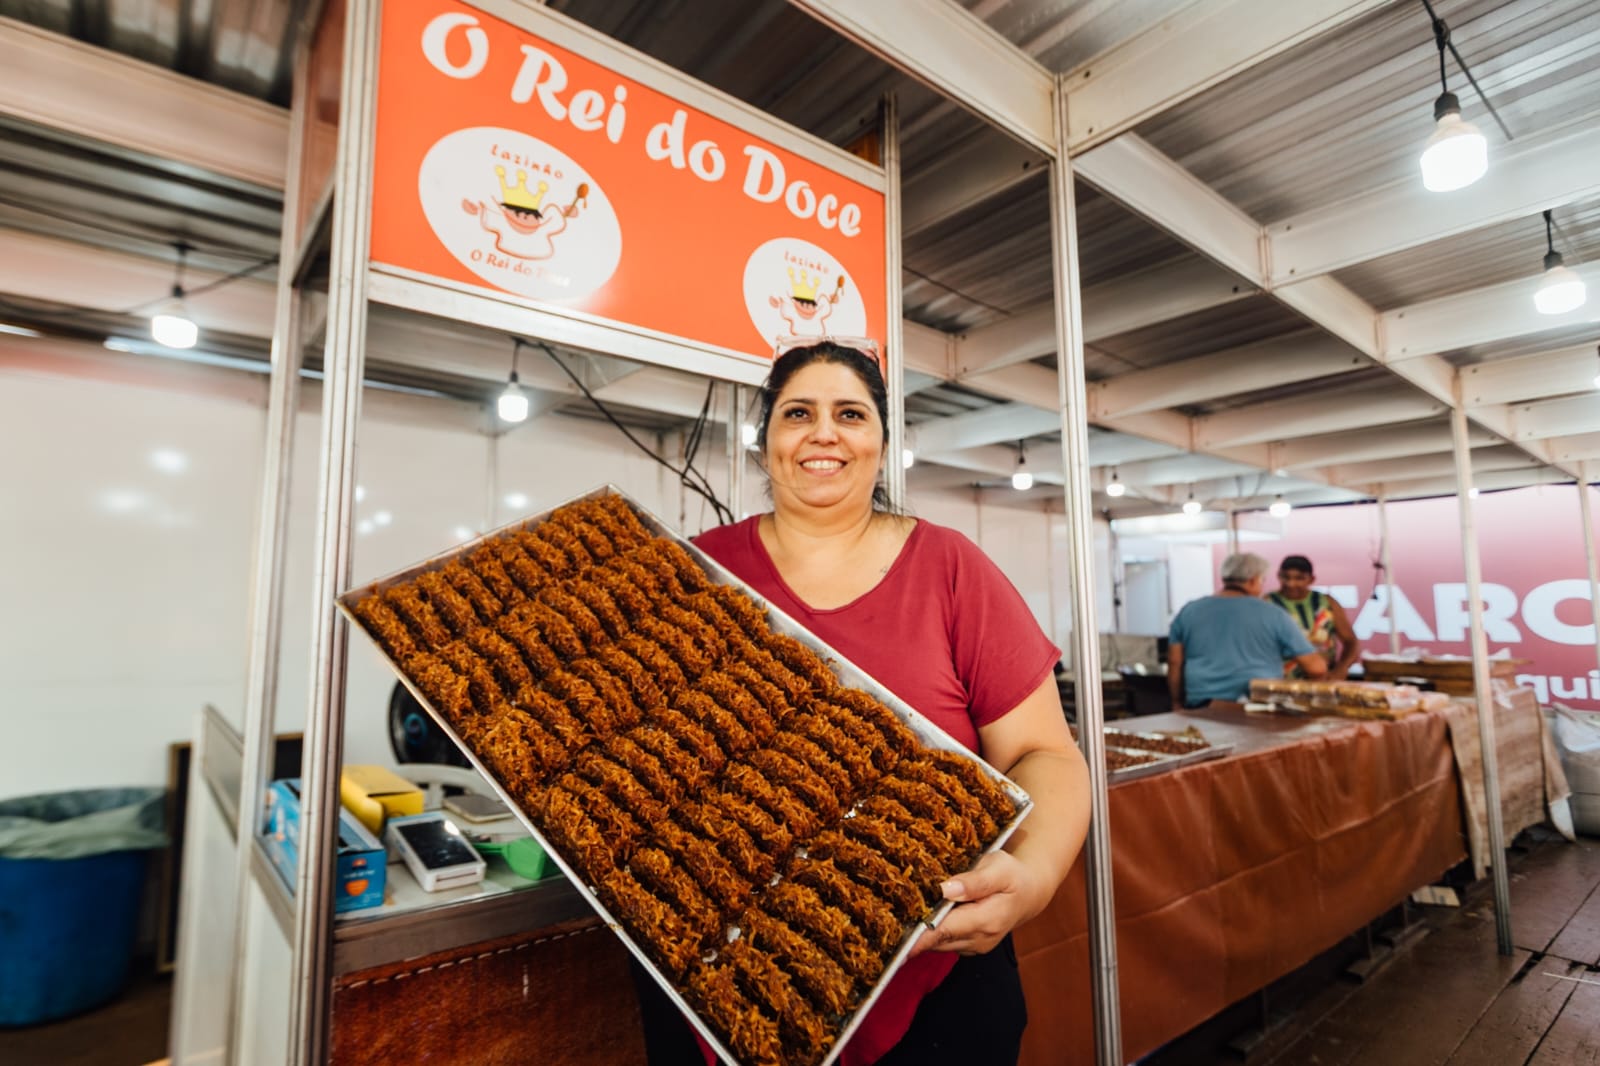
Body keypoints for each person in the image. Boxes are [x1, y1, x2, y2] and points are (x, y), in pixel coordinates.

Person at [633, 340, 1091, 1066]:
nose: (823, 432)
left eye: (849, 413)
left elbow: (1046, 755)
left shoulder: (950, 569)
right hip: (713, 975)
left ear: (881, 443)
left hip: (935, 974)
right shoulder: (696, 572)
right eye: (797, 414)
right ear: (765, 444)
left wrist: (1030, 882)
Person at [1167, 552, 1328, 710]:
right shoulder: (1273, 614)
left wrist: (1176, 703)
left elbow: (1175, 662)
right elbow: (1316, 668)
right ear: (1253, 580)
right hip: (1257, 707)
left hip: (1202, 705)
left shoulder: (1189, 611)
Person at [1268, 554, 1362, 679]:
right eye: (1285, 577)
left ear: (1311, 579)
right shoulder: (1268, 604)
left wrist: (1342, 668)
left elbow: (1351, 641)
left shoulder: (1327, 603)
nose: (1291, 583)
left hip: (1323, 680)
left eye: (1299, 578)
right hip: (1278, 681)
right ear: (1278, 576)